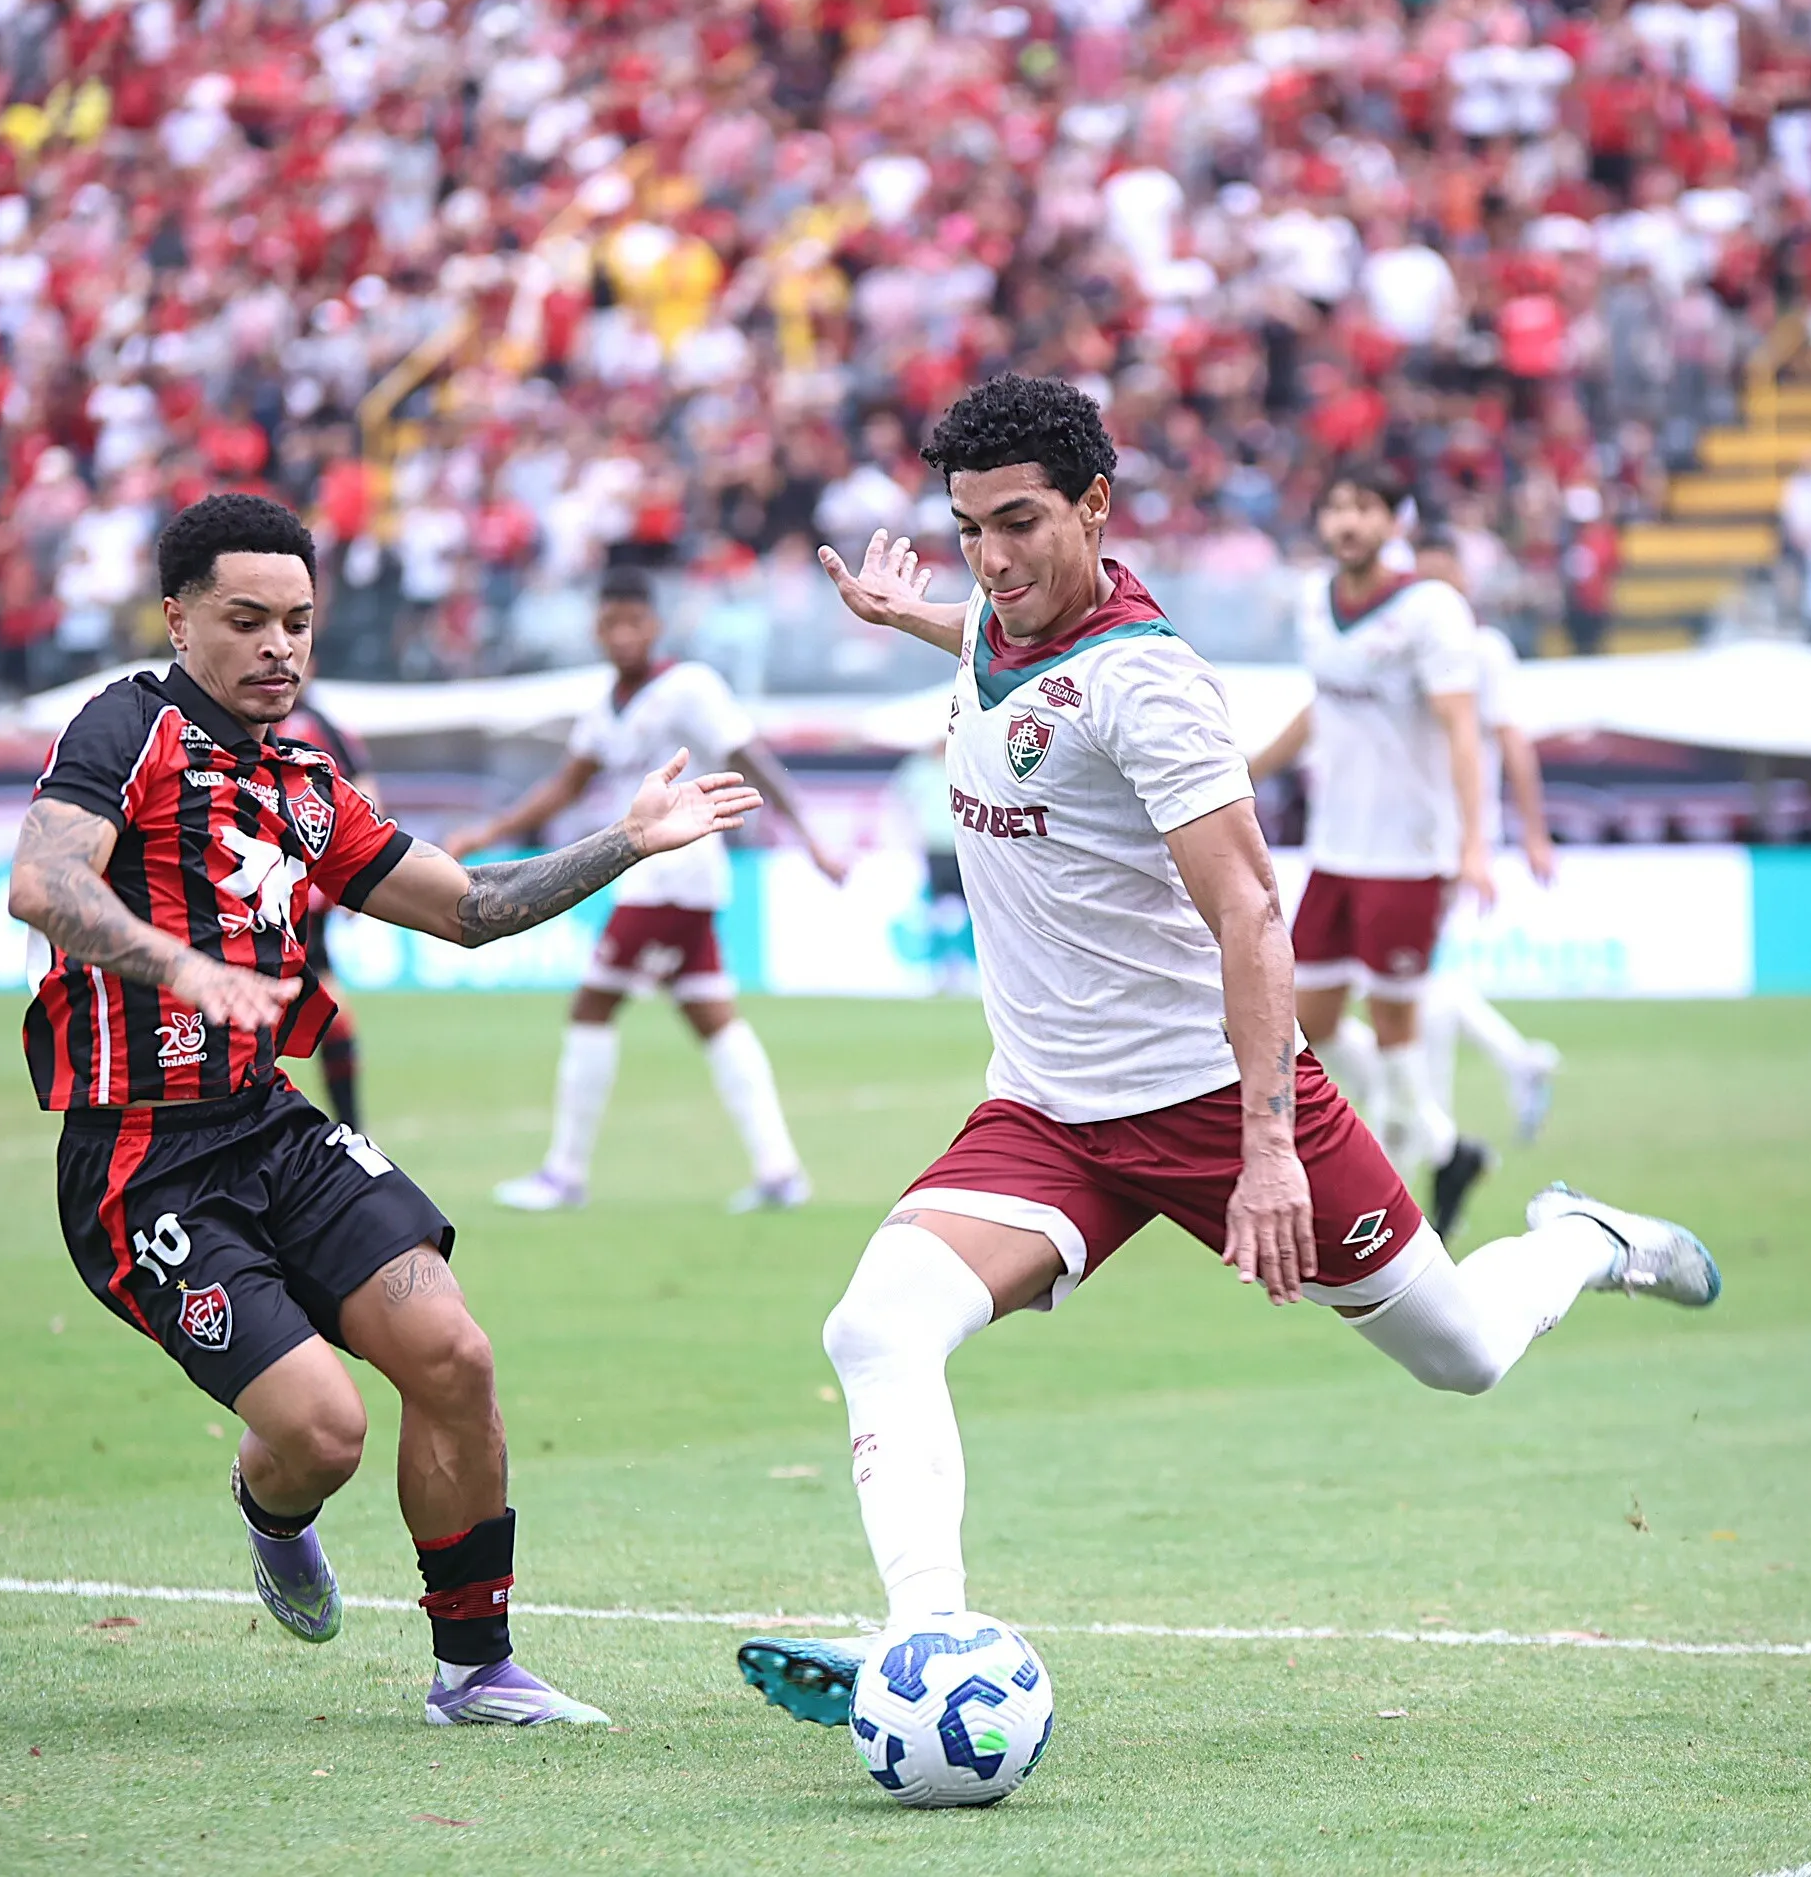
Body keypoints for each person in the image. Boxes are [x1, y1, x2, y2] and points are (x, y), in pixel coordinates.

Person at [734, 377, 1719, 1727]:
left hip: (1212, 1101)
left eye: (1018, 522)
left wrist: (1265, 1151)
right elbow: (990, 642)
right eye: (968, 529)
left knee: (1464, 1352)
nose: (991, 558)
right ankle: (927, 1639)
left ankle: (1590, 1238)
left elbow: (1253, 914)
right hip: (1048, 1112)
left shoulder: (1148, 683)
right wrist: (905, 611)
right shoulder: (995, 623)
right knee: (877, 1324)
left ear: (1095, 505)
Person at [6, 494, 761, 1726]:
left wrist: (624, 841)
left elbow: (470, 908)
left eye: (298, 622)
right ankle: (275, 1505)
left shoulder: (307, 783)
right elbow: (41, 882)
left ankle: (475, 1671)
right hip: (142, 1161)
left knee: (454, 1353)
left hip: (269, 1123)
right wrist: (179, 966)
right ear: (179, 616)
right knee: (326, 1431)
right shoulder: (124, 726)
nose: (279, 648)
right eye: (246, 620)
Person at [455, 564, 846, 1213]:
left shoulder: (689, 685)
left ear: (654, 625)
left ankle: (564, 1173)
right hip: (663, 879)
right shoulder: (605, 705)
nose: (621, 634)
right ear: (597, 629)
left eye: (633, 621)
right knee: (711, 1015)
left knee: (590, 1007)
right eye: (610, 623)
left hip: (672, 875)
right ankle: (779, 1171)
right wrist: (487, 832)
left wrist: (809, 833)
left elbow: (749, 756)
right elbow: (566, 785)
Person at [1249, 467, 1497, 1236]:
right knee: (1306, 1025)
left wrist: (1474, 842)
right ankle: (1443, 1144)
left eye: (1363, 508)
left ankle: (1395, 1161)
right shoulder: (1315, 604)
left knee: (1394, 1025)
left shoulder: (1430, 610)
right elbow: (1322, 708)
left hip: (1406, 854)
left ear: (1395, 521)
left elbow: (1461, 726)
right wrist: (1245, 769)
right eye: (1334, 507)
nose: (1346, 522)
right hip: (1335, 849)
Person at [1322, 528, 1564, 1144]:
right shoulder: (1403, 639)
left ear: (1462, 579)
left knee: (1411, 985)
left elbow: (1511, 738)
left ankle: (1430, 1123)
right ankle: (1486, 1082)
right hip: (1403, 835)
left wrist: (1527, 834)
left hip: (1448, 838)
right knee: (1414, 982)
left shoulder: (1482, 650)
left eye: (1441, 575)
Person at [278, 694, 375, 1130]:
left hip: (302, 898)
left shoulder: (320, 724)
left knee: (333, 1014)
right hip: (243, 895)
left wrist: (362, 875)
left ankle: (353, 1131)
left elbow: (362, 788)